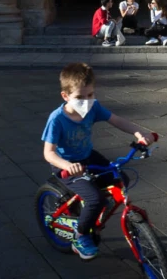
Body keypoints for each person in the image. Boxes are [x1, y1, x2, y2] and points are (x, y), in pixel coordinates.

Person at [42, 63, 155, 260]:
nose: (86, 101)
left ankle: (93, 213)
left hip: (88, 156)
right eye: (80, 97)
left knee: (121, 179)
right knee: (95, 198)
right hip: (67, 164)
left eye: (90, 95)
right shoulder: (57, 119)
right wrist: (68, 166)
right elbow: (49, 153)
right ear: (65, 96)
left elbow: (117, 120)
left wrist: (140, 133)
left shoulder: (93, 108)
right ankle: (81, 235)